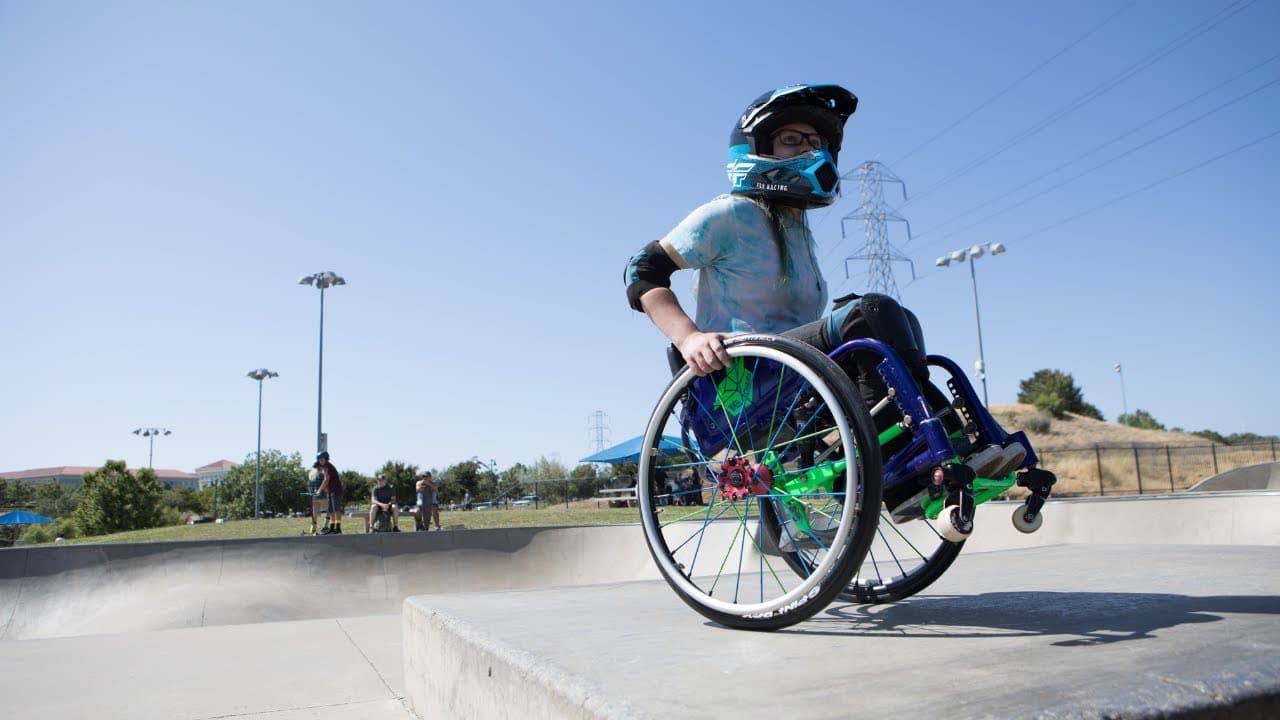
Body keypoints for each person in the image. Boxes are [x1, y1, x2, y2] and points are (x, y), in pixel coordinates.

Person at [623, 84, 1026, 520]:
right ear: (758, 149)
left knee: (897, 320)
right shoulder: (731, 214)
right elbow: (642, 270)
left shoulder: (797, 232)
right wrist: (688, 338)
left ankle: (943, 446)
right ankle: (891, 461)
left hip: (793, 378)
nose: (810, 151)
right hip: (738, 383)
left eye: (817, 143)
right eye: (793, 140)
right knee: (872, 313)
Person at [313, 451, 345, 534]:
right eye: (319, 460)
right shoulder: (325, 468)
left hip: (336, 491)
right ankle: (331, 527)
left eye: (322, 459)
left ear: (326, 459)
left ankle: (338, 528)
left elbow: (326, 479)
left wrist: (319, 490)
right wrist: (326, 489)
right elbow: (328, 482)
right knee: (331, 510)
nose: (321, 461)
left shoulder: (328, 467)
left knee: (336, 509)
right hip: (331, 492)